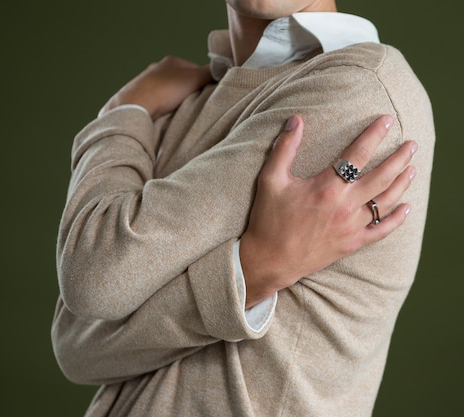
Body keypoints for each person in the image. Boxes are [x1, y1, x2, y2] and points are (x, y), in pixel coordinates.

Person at [51, 0, 435, 415]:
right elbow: (75, 345)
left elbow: (94, 276)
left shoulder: (357, 90)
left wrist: (122, 114)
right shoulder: (199, 98)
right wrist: (248, 273)